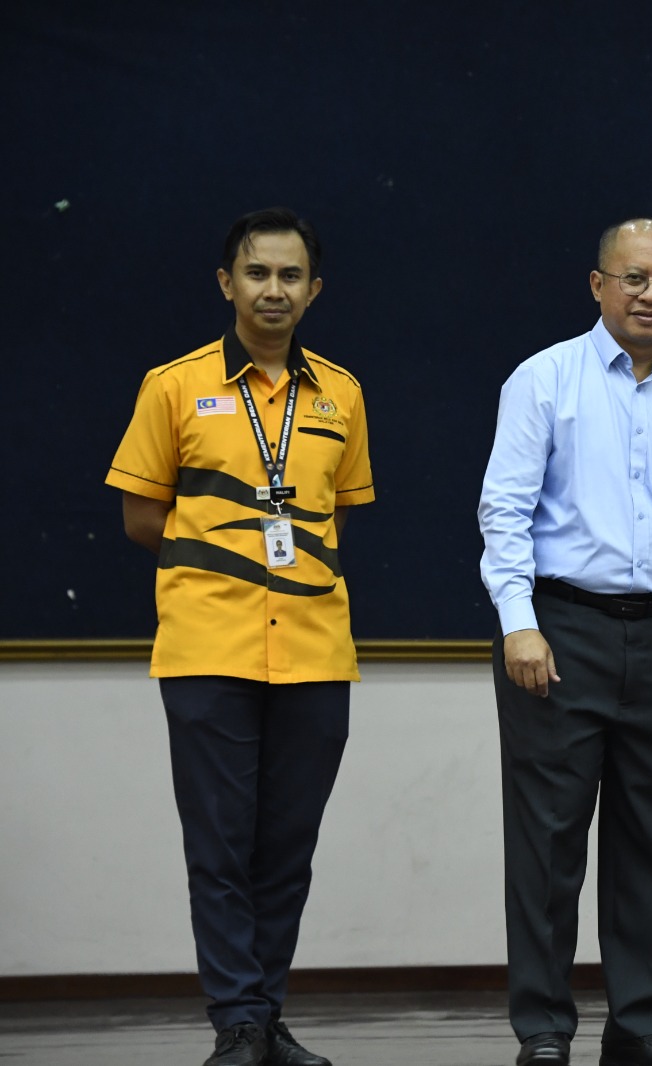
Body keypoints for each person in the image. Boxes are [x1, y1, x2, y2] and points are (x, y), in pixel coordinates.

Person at [106, 208, 375, 1066]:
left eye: (290, 276)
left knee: (286, 850)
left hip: (314, 651)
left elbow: (341, 513)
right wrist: (223, 557)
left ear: (314, 291)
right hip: (208, 649)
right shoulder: (173, 386)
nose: (273, 290)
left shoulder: (342, 392)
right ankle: (239, 1024)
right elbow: (143, 514)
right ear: (227, 283)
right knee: (220, 846)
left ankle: (266, 1013)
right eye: (257, 273)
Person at [478, 218, 652, 1066]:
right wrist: (517, 619)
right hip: (559, 632)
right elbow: (504, 512)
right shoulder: (544, 380)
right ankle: (545, 1031)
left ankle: (640, 1029)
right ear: (597, 285)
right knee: (549, 842)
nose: (649, 295)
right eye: (633, 279)